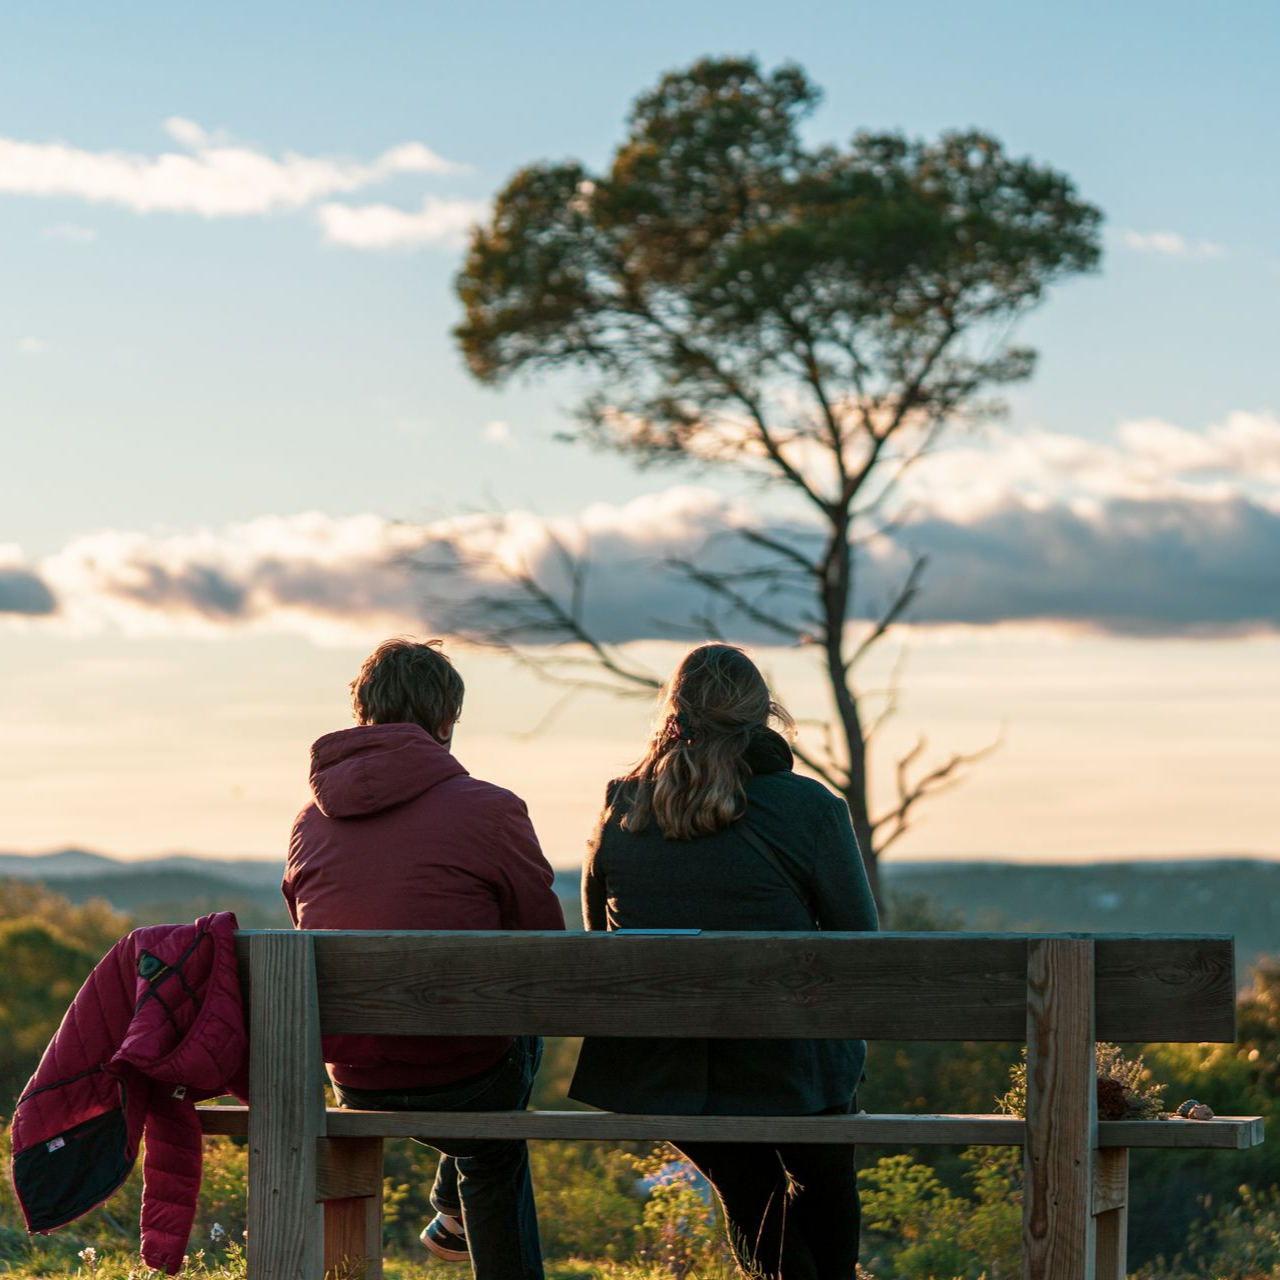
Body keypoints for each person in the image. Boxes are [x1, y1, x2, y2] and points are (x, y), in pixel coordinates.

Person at [568, 644, 878, 1280]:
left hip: (661, 1066)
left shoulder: (622, 804)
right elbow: (859, 948)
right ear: (764, 716)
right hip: (788, 1065)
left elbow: (602, 937)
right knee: (820, 1164)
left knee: (749, 1186)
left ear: (674, 715)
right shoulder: (810, 808)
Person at [284, 637, 564, 1280]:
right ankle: (460, 1212)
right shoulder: (492, 809)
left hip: (352, 1072)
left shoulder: (308, 822)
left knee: (483, 1068)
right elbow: (543, 948)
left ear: (363, 717)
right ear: (445, 723)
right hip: (468, 1070)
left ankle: (450, 1210)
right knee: (494, 1132)